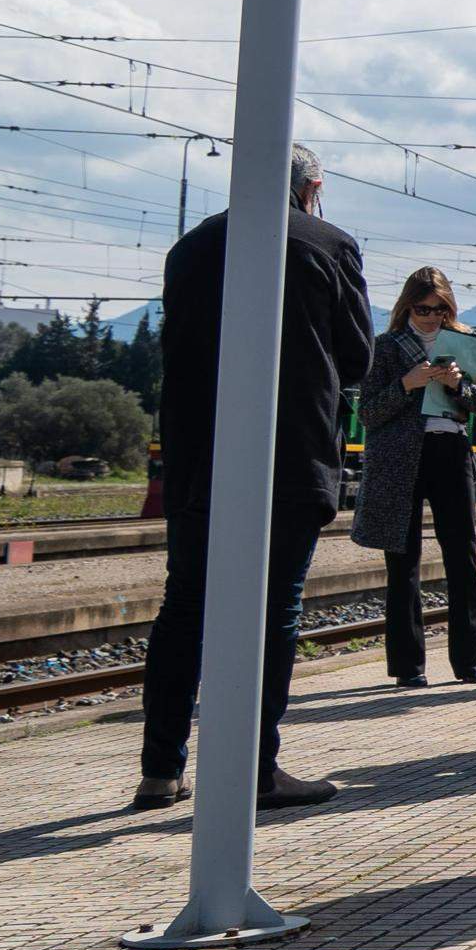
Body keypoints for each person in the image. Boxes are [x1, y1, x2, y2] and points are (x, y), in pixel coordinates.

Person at [138, 144, 371, 813]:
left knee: (185, 605)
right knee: (274, 611)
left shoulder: (190, 247)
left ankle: (159, 769)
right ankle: (254, 769)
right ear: (313, 185)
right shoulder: (328, 244)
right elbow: (357, 354)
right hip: (289, 455)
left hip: (197, 457)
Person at [354, 266, 476, 688]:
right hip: (399, 460)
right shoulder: (384, 348)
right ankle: (407, 666)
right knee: (403, 563)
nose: (432, 316)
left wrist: (459, 389)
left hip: (450, 452)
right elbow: (367, 414)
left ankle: (471, 662)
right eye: (423, 309)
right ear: (407, 306)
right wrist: (407, 383)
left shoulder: (468, 345)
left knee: (463, 559)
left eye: (440, 309)